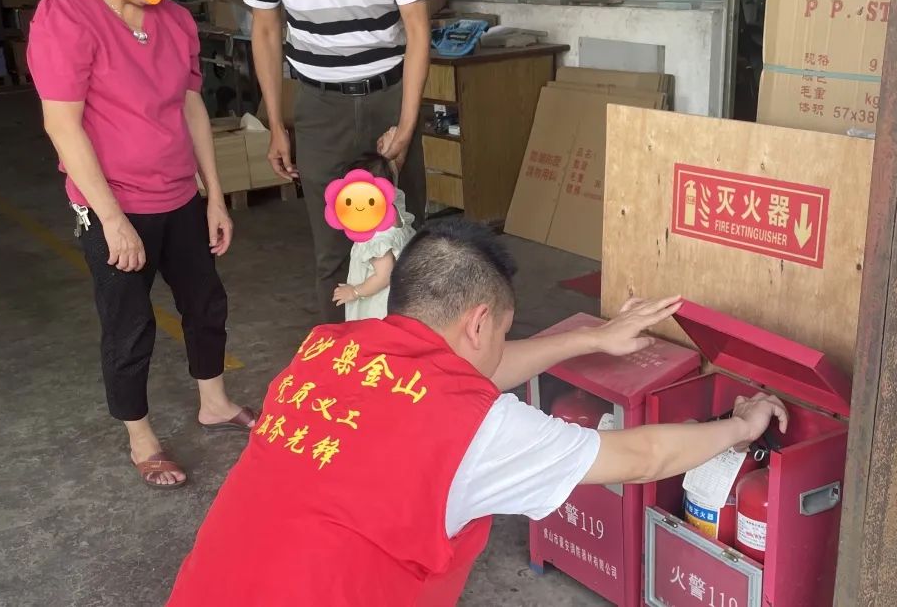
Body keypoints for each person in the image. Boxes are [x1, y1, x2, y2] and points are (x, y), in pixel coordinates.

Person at [167, 220, 788, 604]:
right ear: (479, 322)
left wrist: (593, 338)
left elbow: (465, 375)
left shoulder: (327, 350)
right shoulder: (474, 430)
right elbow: (642, 456)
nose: (498, 346)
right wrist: (741, 425)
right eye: (502, 332)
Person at [28, 0, 257, 489]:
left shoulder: (174, 18)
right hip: (113, 204)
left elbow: (191, 107)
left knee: (206, 303)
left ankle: (214, 403)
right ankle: (140, 436)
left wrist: (214, 195)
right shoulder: (65, 14)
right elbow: (61, 123)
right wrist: (112, 220)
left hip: (180, 194)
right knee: (129, 323)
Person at [244, 0, 436, 324]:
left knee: (404, 233)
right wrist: (276, 125)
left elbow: (418, 29)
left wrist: (407, 124)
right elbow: (266, 30)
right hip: (318, 105)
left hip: (389, 98)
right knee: (332, 247)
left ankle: (411, 348)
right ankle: (339, 353)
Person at [331, 160, 417, 321]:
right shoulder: (394, 211)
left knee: (374, 333)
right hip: (401, 296)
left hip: (379, 305)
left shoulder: (376, 237)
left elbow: (384, 276)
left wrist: (355, 292)